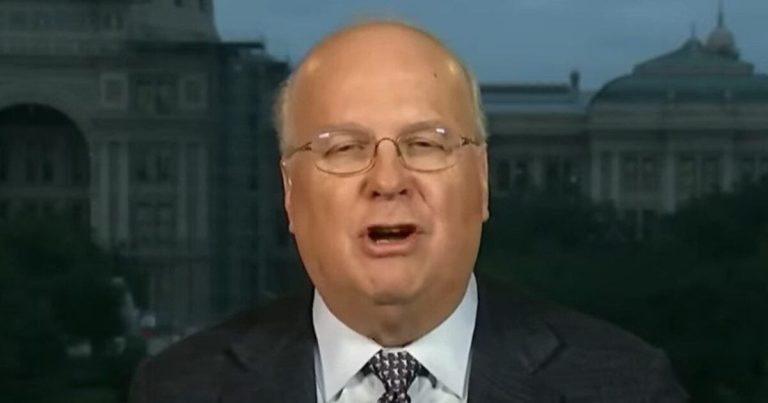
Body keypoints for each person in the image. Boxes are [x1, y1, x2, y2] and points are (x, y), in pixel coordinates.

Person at [128, 20, 687, 403]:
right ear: (291, 194)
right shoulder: (179, 389)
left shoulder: (626, 385)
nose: (388, 181)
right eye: (345, 149)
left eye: (425, 144)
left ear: (482, 182)